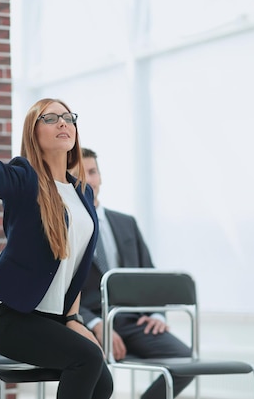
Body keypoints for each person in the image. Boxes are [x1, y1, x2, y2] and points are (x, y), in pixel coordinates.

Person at [0, 47, 113, 399]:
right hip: (6, 316)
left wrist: (73, 320)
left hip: (52, 318)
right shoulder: (25, 178)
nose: (63, 124)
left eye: (69, 118)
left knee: (102, 378)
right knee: (86, 359)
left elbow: (74, 267)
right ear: (34, 132)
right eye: (52, 119)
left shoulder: (81, 193)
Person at [78, 147, 193, 399]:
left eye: (93, 172)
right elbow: (65, 290)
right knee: (89, 368)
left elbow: (149, 275)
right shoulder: (66, 225)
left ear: (101, 177)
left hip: (133, 321)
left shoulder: (126, 222)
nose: (88, 179)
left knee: (185, 361)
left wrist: (155, 313)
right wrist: (96, 325)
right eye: (79, 173)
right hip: (88, 323)